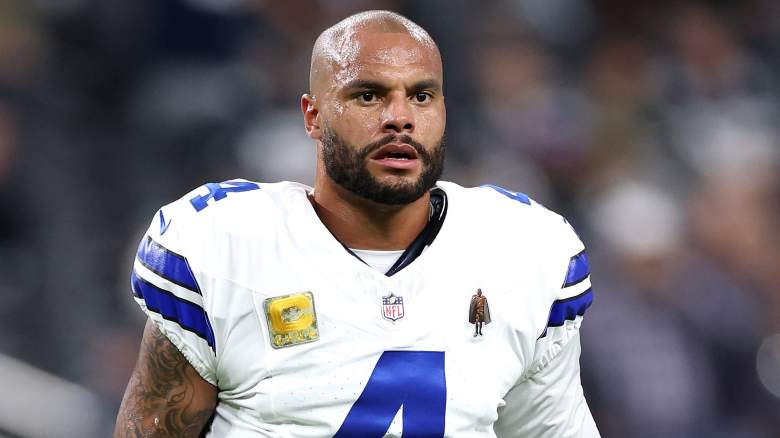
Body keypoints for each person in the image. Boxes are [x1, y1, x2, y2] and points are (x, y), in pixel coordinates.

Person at [114, 10, 600, 437]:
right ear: (313, 116)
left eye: (422, 96)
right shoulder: (227, 246)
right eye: (369, 96)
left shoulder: (522, 251)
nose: (400, 118)